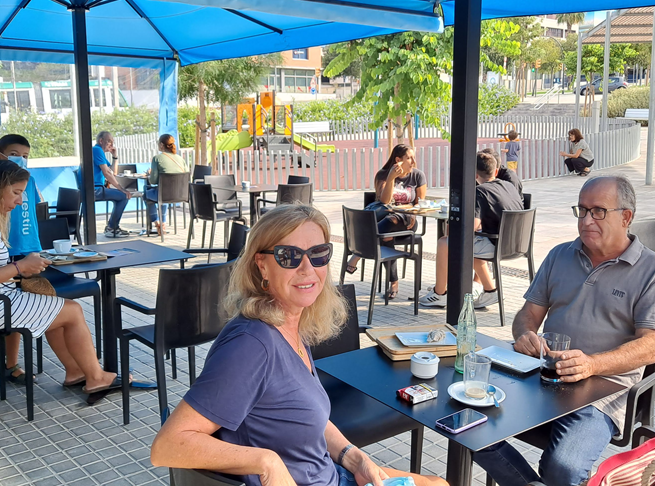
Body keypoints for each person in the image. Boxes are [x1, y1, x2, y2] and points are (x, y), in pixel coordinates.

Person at [150, 204, 446, 486]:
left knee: (438, 482)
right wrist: (267, 463)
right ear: (262, 265)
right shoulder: (250, 346)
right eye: (288, 256)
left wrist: (354, 458)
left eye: (318, 254)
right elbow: (168, 445)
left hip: (333, 474)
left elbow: (309, 419)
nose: (307, 268)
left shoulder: (288, 323)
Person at [473, 176, 655, 486]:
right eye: (581, 210)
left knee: (563, 468)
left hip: (602, 390)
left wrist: (592, 364)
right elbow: (527, 315)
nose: (586, 219)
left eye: (598, 211)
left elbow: (650, 348)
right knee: (467, 422)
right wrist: (525, 334)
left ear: (626, 217)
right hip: (543, 376)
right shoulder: (560, 255)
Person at [0, 160, 119, 396]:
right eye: (16, 193)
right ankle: (96, 377)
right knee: (72, 310)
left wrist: (19, 268)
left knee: (53, 307)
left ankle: (75, 371)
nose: (20, 201)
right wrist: (20, 266)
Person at [420, 151, 523, 309]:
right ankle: (489, 290)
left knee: (445, 242)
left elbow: (469, 229)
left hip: (497, 245)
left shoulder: (479, 192)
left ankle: (440, 293)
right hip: (517, 245)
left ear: (474, 174)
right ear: (495, 171)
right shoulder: (509, 185)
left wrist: (450, 227)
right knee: (472, 243)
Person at [343, 144, 427, 300]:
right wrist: (391, 178)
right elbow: (384, 200)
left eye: (413, 157)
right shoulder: (383, 174)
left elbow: (420, 202)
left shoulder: (418, 175)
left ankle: (358, 250)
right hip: (385, 218)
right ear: (398, 160)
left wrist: (413, 212)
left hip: (408, 219)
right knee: (385, 235)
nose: (413, 161)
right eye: (409, 158)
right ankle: (394, 283)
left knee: (389, 220)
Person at [144, 133, 189, 242]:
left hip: (163, 194)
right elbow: (188, 177)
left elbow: (153, 181)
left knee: (146, 194)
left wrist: (150, 174)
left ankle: (157, 222)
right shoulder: (180, 159)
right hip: (181, 195)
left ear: (161, 145)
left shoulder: (157, 158)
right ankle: (163, 223)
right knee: (162, 195)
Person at [93, 131, 130, 237]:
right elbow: (107, 173)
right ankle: (112, 228)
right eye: (109, 141)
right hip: (95, 190)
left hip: (96, 188)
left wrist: (115, 156)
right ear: (101, 141)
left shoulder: (99, 152)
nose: (112, 145)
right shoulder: (96, 150)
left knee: (122, 196)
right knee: (123, 196)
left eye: (113, 142)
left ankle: (112, 227)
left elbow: (114, 172)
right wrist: (121, 188)